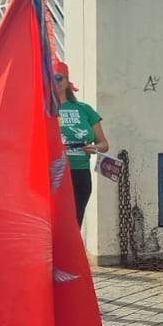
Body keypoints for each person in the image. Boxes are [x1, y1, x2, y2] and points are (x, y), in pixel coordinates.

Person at [56, 61, 107, 227]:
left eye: (59, 78)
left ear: (67, 81)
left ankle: (71, 253)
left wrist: (95, 148)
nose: (55, 82)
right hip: (55, 174)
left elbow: (104, 144)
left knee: (74, 223)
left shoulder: (84, 109)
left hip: (80, 174)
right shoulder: (45, 109)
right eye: (50, 78)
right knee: (56, 224)